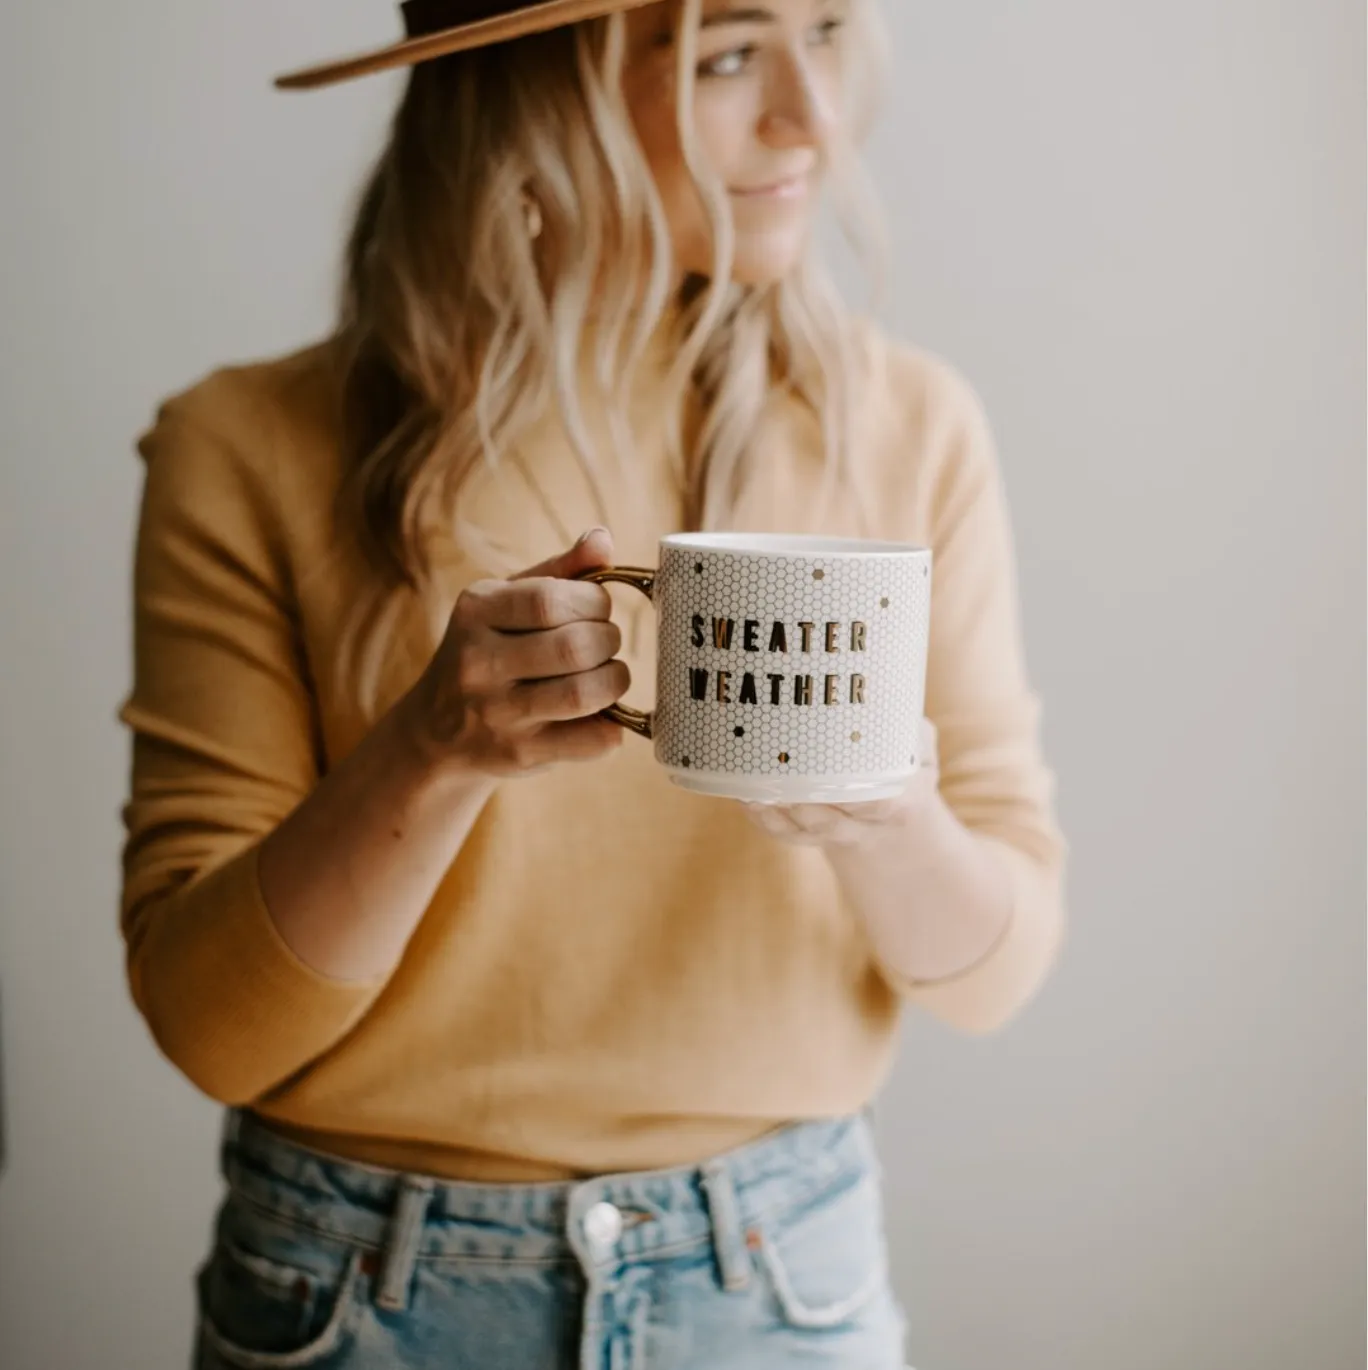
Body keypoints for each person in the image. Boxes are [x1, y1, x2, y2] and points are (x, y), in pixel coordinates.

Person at [118, 1, 1067, 1366]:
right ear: (526, 95)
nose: (816, 114)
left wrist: (889, 821)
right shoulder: (246, 449)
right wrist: (428, 752)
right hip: (360, 1290)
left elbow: (998, 971)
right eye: (732, 54)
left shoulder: (910, 426)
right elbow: (211, 1028)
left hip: (775, 1282)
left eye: (827, 31)